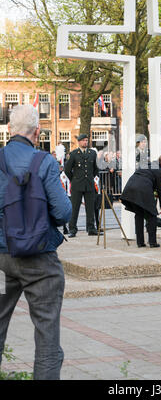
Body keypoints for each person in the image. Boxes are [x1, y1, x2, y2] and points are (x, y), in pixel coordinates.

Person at [0, 104, 72, 380]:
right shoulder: (44, 161)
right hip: (39, 260)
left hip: (1, 258)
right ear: (37, 132)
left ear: (9, 130)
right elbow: (64, 212)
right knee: (46, 334)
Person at [120, 155, 161, 248]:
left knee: (139, 214)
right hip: (142, 190)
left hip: (130, 188)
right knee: (152, 216)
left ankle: (140, 242)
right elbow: (160, 190)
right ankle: (152, 242)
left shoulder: (146, 164)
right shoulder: (159, 170)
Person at [65, 134, 99, 237]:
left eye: (86, 140)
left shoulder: (92, 153)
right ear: (79, 142)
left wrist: (90, 177)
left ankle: (91, 228)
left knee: (90, 208)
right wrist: (74, 179)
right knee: (75, 208)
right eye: (83, 140)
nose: (85, 142)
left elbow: (95, 168)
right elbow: (67, 170)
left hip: (89, 184)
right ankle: (72, 229)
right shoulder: (74, 153)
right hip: (77, 185)